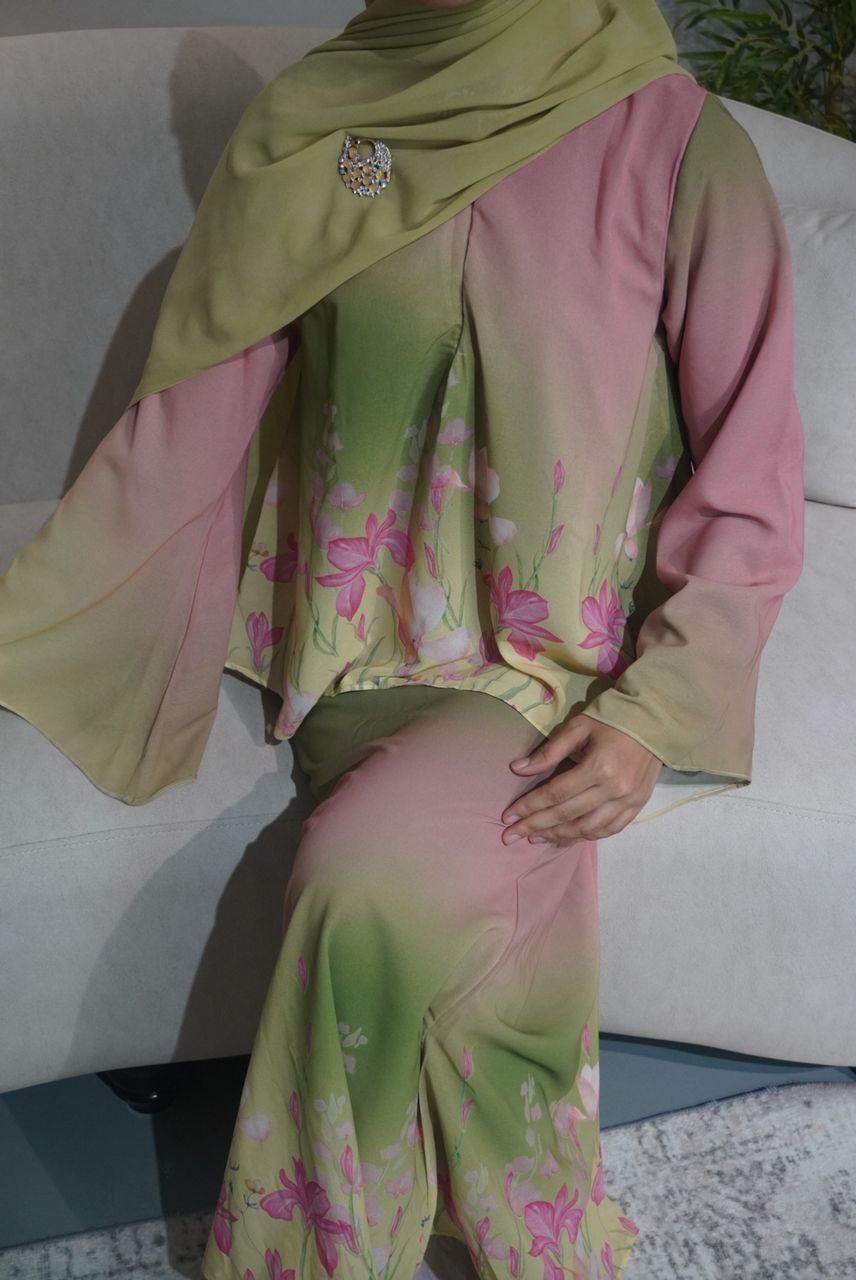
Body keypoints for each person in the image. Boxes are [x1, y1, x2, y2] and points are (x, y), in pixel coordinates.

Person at [0, 0, 805, 1275]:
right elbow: (206, 396)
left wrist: (659, 709)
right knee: (420, 918)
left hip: (552, 676)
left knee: (362, 887)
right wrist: (62, 608)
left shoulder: (671, 142)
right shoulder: (345, 132)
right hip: (354, 658)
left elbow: (753, 470)